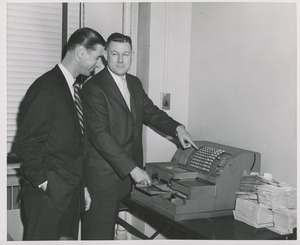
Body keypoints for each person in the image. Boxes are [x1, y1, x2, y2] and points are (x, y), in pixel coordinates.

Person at [81, 32, 198, 240]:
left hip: (128, 179)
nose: (120, 60)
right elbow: (101, 136)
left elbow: (151, 113)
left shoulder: (134, 83)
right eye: (115, 53)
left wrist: (178, 128)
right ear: (106, 54)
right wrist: (133, 169)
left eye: (125, 54)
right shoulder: (93, 87)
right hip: (103, 179)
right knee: (98, 236)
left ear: (132, 55)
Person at [12, 27, 105, 240]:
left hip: (70, 194)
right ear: (81, 52)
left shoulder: (74, 90)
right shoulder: (45, 87)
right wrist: (48, 185)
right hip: (48, 197)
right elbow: (26, 145)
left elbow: (76, 145)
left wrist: (82, 188)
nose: (98, 64)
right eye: (97, 56)